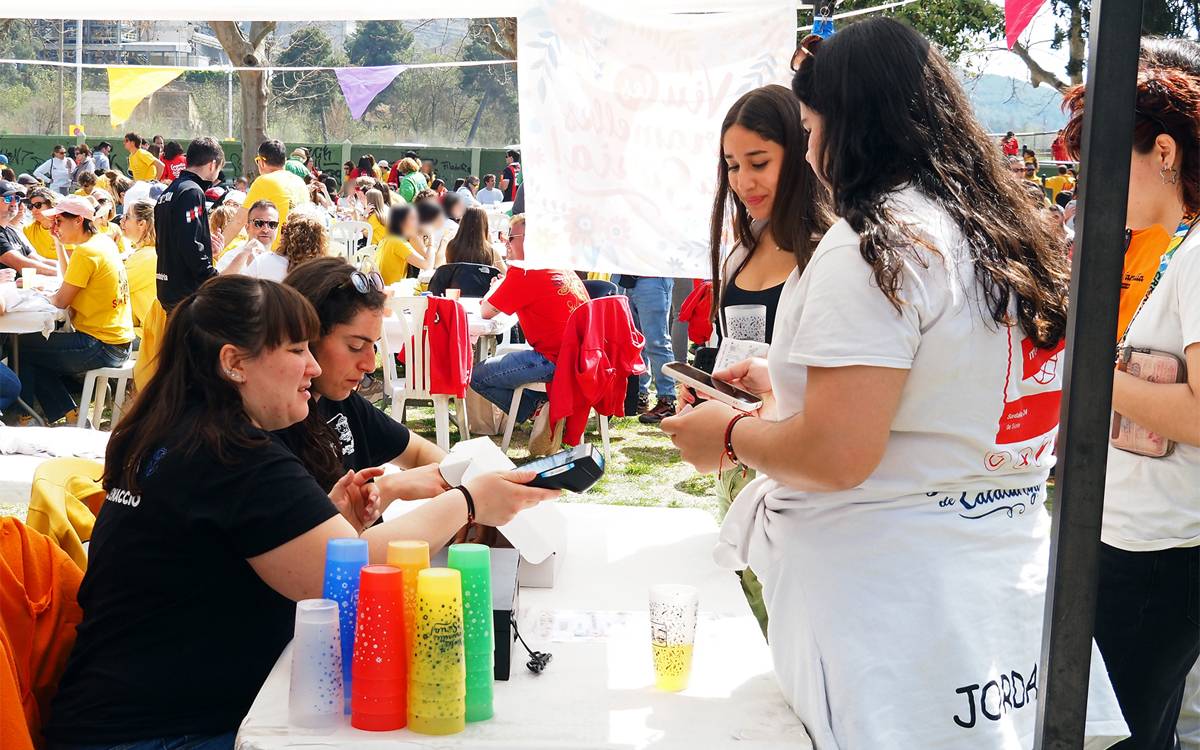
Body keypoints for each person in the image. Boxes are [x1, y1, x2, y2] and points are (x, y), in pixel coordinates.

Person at [662, 21, 1125, 747]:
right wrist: (789, 385)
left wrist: (727, 433)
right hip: (1002, 583)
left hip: (889, 610)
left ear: (850, 125)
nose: (810, 152)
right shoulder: (1004, 232)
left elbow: (837, 454)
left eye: (811, 130)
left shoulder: (876, 244)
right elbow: (947, 393)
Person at [43, 274, 558, 748]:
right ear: (234, 363)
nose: (312, 366)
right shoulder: (233, 456)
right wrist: (469, 502)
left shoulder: (177, 432)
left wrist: (326, 523)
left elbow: (240, 558)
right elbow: (354, 574)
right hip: (158, 733)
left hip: (119, 714)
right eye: (296, 350)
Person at [1062, 45, 1200, 750]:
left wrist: (1087, 371)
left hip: (1160, 549)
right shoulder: (1177, 246)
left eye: (1107, 163)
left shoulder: (1196, 254)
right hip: (1138, 536)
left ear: (1164, 151)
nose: (1095, 186)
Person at [695, 84, 833, 628]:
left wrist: (774, 380)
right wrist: (706, 390)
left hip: (798, 466)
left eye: (759, 162)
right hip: (737, 457)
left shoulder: (830, 253)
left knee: (791, 618)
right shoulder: (740, 250)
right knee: (746, 607)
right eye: (732, 166)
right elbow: (730, 345)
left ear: (800, 152)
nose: (742, 181)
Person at [474, 214, 588, 454]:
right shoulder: (560, 265)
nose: (506, 242)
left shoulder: (525, 272)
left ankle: (536, 408)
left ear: (531, 239)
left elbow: (486, 311)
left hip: (553, 359)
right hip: (582, 360)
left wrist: (497, 287)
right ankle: (542, 409)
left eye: (511, 237)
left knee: (477, 376)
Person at [16, 195, 132, 423]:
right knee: (33, 348)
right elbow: (69, 277)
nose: (54, 227)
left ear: (78, 220)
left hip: (100, 344)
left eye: (59, 221)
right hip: (117, 342)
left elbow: (60, 301)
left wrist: (40, 293)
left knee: (22, 348)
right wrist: (59, 243)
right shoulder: (102, 242)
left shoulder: (86, 252)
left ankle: (26, 418)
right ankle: (69, 415)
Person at [134, 137, 226, 391]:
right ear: (212, 164)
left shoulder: (168, 192)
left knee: (176, 368)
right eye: (218, 169)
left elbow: (172, 241)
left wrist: (206, 246)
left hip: (167, 289)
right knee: (191, 373)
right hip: (187, 294)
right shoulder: (192, 191)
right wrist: (212, 277)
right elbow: (190, 243)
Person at [617, 271, 677, 423]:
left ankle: (667, 400)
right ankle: (640, 395)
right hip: (625, 278)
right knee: (634, 342)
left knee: (656, 343)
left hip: (651, 278)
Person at [230, 140, 311, 252]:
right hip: (301, 252)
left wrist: (214, 252)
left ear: (261, 162)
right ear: (284, 161)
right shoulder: (300, 182)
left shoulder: (264, 181)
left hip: (276, 253)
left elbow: (238, 221)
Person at [244, 209, 328, 282]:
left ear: (286, 234)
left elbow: (244, 288)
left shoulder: (263, 261)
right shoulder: (324, 273)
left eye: (283, 228)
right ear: (321, 240)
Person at [0, 182, 57, 276]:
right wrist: (63, 274)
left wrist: (69, 269)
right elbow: (22, 264)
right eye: (8, 199)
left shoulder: (11, 232)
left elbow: (39, 260)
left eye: (16, 199)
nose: (14, 203)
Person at [119, 199, 157, 333]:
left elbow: (110, 288)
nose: (121, 221)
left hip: (148, 335)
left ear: (141, 224)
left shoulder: (147, 256)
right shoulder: (150, 252)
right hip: (144, 330)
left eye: (127, 216)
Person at [376, 204, 433, 284]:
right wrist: (431, 239)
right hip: (392, 290)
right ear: (401, 222)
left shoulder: (388, 239)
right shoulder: (398, 242)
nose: (418, 222)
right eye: (413, 218)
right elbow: (428, 266)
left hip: (385, 287)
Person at [23, 188, 60, 261]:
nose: (33, 209)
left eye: (38, 205)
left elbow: (70, 262)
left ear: (51, 204)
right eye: (30, 206)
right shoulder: (27, 230)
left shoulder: (64, 228)